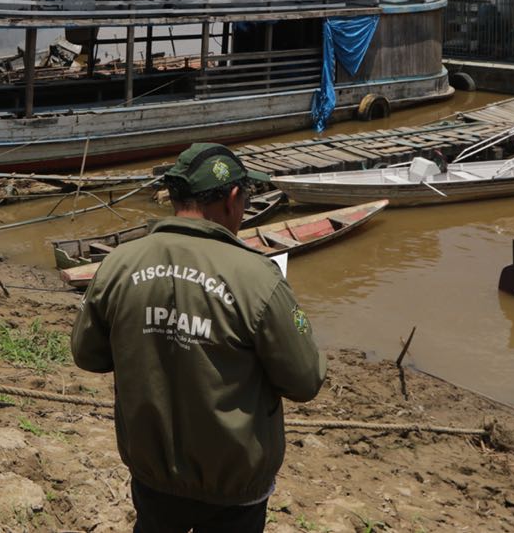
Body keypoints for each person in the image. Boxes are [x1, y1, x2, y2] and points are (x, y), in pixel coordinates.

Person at [71, 142, 327, 533]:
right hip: (234, 487)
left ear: (175, 197)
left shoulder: (119, 264)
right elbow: (305, 380)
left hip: (152, 474)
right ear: (233, 198)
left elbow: (87, 354)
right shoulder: (258, 278)